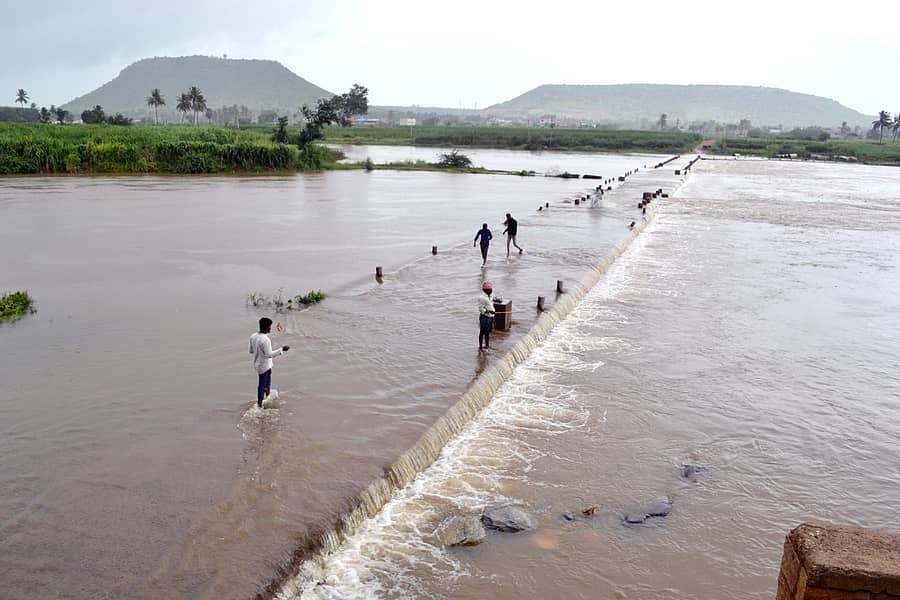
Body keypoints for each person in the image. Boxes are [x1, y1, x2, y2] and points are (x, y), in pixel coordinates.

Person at [249, 317, 289, 408]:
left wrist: (259, 351)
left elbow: (251, 351)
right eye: (270, 327)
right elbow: (269, 355)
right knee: (262, 384)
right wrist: (282, 349)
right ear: (266, 327)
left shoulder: (253, 336)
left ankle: (267, 396)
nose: (270, 329)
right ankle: (259, 404)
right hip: (264, 365)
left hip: (258, 364)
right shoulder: (265, 340)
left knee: (266, 381)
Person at [478, 281, 496, 351]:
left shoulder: (491, 296)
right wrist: (488, 311)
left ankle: (487, 346)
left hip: (491, 316)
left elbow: (492, 304)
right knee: (482, 332)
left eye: (491, 289)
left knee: (488, 332)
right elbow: (480, 308)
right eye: (488, 289)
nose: (490, 290)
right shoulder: (482, 298)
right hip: (484, 317)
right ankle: (480, 347)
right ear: (484, 290)